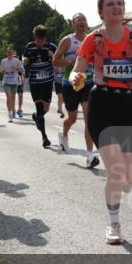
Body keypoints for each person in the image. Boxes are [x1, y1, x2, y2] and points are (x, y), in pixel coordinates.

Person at [70, 0, 132, 244]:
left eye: (120, 3)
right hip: (102, 105)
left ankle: (119, 187)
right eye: (111, 4)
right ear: (101, 12)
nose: (116, 7)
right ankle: (114, 224)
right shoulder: (93, 39)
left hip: (128, 105)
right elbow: (77, 69)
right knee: (116, 172)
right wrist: (76, 77)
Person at [53, 13, 99, 167]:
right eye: (78, 20)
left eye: (84, 20)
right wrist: (69, 62)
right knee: (72, 118)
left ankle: (89, 155)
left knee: (89, 119)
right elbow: (55, 60)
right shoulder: (68, 40)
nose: (82, 22)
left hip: (88, 83)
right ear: (73, 24)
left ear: (87, 24)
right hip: (70, 84)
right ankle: (64, 134)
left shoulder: (93, 40)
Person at [21, 25, 58, 147]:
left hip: (47, 82)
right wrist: (25, 59)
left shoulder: (51, 46)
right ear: (34, 37)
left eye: (42, 40)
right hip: (35, 82)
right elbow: (24, 56)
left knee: (45, 109)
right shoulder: (29, 46)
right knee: (39, 109)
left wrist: (53, 56)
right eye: (37, 40)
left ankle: (36, 117)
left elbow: (59, 59)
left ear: (45, 38)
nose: (39, 42)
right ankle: (44, 137)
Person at [0, 46, 25, 121]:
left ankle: (13, 111)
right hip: (6, 81)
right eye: (8, 52)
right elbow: (0, 69)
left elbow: (22, 70)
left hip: (14, 81)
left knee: (13, 98)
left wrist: (16, 68)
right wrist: (2, 70)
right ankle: (9, 112)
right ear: (6, 53)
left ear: (13, 53)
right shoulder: (3, 61)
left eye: (10, 52)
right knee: (9, 97)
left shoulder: (17, 61)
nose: (9, 54)